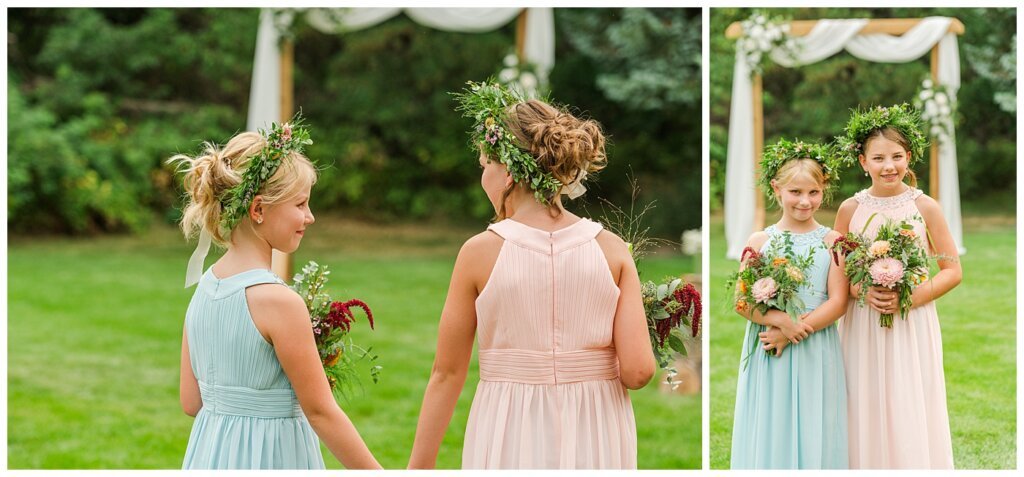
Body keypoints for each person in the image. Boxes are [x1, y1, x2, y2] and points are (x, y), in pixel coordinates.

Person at [407, 82, 655, 469]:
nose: (483, 177)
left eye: (484, 166)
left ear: (506, 171)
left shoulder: (479, 253)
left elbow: (447, 372)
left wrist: (418, 467)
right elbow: (639, 371)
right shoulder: (613, 250)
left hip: (508, 425)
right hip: (596, 427)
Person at [172, 119, 380, 469]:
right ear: (258, 210)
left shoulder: (204, 288)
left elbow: (191, 402)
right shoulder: (279, 302)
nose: (309, 217)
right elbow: (321, 411)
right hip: (271, 458)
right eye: (300, 205)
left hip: (212, 456)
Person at [833, 104, 960, 469]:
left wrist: (910, 298)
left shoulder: (925, 207)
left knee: (908, 396)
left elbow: (952, 270)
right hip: (863, 321)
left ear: (909, 157)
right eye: (878, 158)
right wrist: (862, 291)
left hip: (911, 321)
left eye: (896, 156)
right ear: (862, 162)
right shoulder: (849, 209)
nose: (888, 166)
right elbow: (839, 271)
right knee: (863, 396)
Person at [730, 139, 849, 469]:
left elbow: (839, 301)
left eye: (813, 192)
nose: (805, 201)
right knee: (773, 417)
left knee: (816, 418)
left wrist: (797, 330)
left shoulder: (834, 243)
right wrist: (782, 322)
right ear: (776, 189)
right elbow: (742, 301)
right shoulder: (760, 242)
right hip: (770, 349)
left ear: (823, 189)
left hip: (816, 345)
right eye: (795, 192)